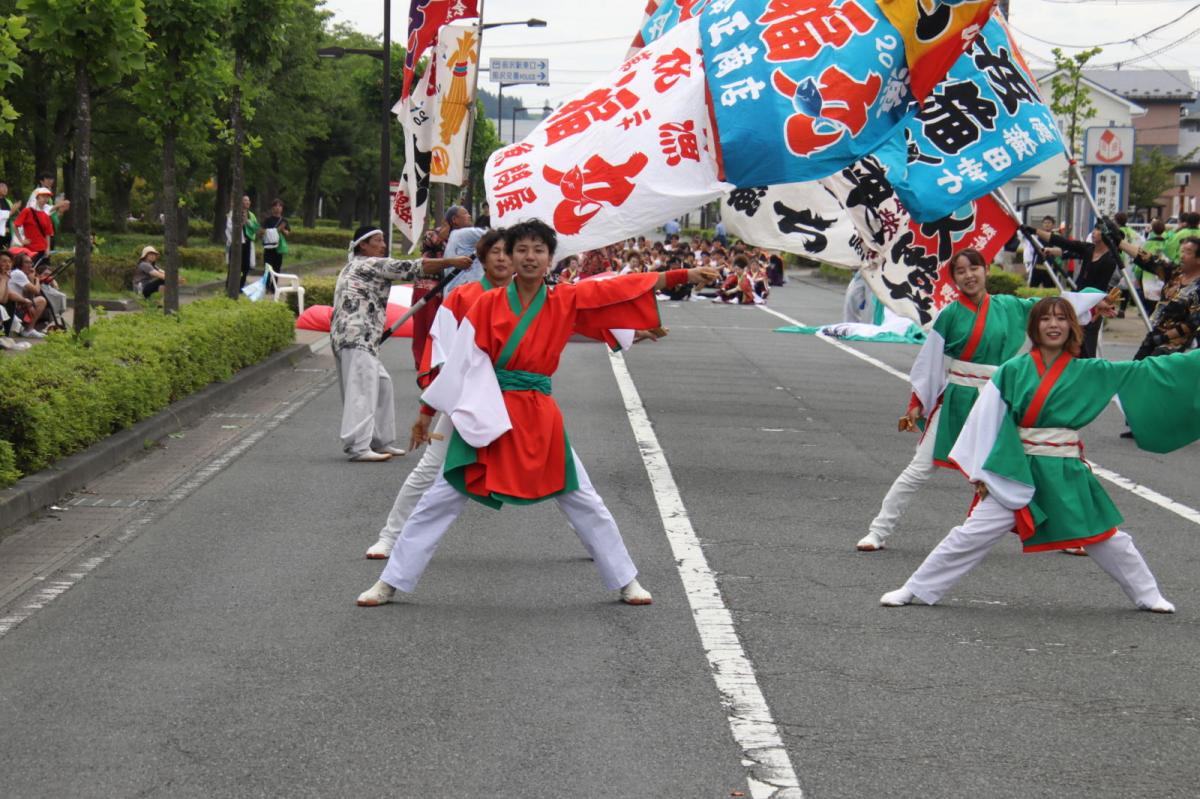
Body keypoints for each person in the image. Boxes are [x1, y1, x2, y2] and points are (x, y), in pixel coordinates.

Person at [356, 219, 717, 607]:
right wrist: (427, 412)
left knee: (581, 495)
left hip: (537, 412)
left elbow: (615, 289)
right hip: (486, 413)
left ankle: (626, 579)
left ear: (549, 258)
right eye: (522, 250)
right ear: (510, 257)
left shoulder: (564, 299)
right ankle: (390, 581)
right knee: (442, 496)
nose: (530, 258)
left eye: (538, 250)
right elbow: (459, 363)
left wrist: (681, 274)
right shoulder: (485, 303)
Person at [881, 297, 1200, 613]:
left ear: (1072, 326)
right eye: (1046, 319)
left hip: (1065, 471)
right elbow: (986, 420)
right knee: (971, 533)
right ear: (1034, 326)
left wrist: (1193, 362)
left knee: (1108, 539)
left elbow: (1148, 371)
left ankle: (1148, 594)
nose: (1053, 325)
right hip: (1017, 469)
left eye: (1061, 318)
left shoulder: (1090, 371)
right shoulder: (1012, 371)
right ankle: (915, 588)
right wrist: (981, 474)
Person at [857, 248, 1109, 552]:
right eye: (960, 271)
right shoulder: (950, 314)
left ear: (985, 270)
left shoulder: (1011, 306)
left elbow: (1054, 308)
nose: (968, 275)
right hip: (957, 399)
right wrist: (917, 401)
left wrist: (1094, 302)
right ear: (954, 280)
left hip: (997, 401)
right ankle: (878, 530)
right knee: (919, 469)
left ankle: (1066, 536)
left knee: (1031, 467)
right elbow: (931, 361)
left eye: (973, 268)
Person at [366, 228, 513, 558]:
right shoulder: (463, 297)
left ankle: (600, 545)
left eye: (509, 251)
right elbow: (442, 354)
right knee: (429, 468)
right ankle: (390, 537)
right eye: (495, 251)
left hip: (519, 398)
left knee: (558, 472)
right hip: (467, 397)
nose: (502, 257)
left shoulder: (530, 298)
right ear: (483, 258)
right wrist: (428, 409)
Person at [331, 225, 470, 462]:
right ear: (363, 245)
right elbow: (414, 267)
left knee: (382, 385)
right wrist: (452, 262)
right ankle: (358, 446)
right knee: (362, 390)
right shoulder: (367, 263)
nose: (383, 245)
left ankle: (381, 440)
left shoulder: (357, 266)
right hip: (356, 336)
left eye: (384, 240)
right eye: (378, 240)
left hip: (360, 338)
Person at [1027, 221, 1122, 357]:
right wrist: (1034, 231)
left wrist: (1099, 305)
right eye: (1094, 228)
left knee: (1087, 345)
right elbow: (1064, 243)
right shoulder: (1089, 249)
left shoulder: (1111, 259)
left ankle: (1087, 372)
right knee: (1071, 343)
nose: (1093, 232)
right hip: (1077, 302)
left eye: (1098, 230)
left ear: (1107, 235)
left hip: (1094, 306)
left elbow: (1106, 287)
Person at [410, 206, 471, 369]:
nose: (469, 216)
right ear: (454, 220)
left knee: (447, 330)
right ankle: (424, 368)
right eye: (465, 214)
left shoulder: (469, 238)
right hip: (429, 287)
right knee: (426, 327)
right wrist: (443, 236)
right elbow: (428, 242)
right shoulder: (436, 234)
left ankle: (443, 367)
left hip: (453, 290)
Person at [13, 188, 65, 259]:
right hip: (30, 249)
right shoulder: (27, 211)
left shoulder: (46, 215)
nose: (45, 199)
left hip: (43, 250)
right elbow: (15, 225)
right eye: (43, 196)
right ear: (37, 197)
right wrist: (21, 241)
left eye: (47, 197)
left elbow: (48, 234)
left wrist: (48, 248)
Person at [7, 253, 49, 338]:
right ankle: (28, 330)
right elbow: (36, 291)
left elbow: (31, 295)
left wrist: (30, 278)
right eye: (27, 262)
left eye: (31, 263)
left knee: (35, 301)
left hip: (17, 304)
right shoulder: (18, 273)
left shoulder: (18, 273)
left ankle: (28, 329)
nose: (30, 265)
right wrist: (36, 279)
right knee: (41, 300)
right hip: (14, 305)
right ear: (20, 263)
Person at [1135, 219, 1169, 314]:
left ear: (1152, 230)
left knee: (1150, 307)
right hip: (1163, 278)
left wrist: (1137, 276)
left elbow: (1139, 263)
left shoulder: (1147, 244)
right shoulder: (1168, 243)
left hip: (1148, 279)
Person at [227, 195, 260, 289]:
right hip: (236, 242)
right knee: (233, 265)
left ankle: (241, 285)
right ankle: (230, 286)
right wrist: (240, 224)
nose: (247, 202)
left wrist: (247, 222)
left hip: (247, 242)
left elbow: (256, 228)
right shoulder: (233, 213)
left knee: (245, 266)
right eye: (245, 200)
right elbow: (229, 227)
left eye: (248, 200)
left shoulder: (251, 215)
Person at [260, 199, 290, 292]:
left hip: (278, 248)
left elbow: (288, 233)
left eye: (280, 206)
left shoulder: (284, 220)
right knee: (268, 268)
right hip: (269, 248)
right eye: (276, 206)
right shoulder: (267, 220)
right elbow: (261, 231)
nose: (278, 208)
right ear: (272, 208)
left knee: (277, 268)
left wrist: (283, 230)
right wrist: (275, 230)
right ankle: (266, 286)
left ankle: (273, 287)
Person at [0, 181, 15, 249]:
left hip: (9, 232)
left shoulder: (8, 201)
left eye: (6, 187)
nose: (5, 189)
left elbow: (13, 216)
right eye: (2, 186)